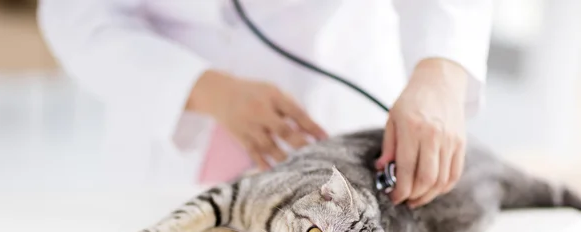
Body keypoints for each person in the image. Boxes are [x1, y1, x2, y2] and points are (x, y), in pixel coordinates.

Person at [38, 0, 493, 207]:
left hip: (339, 98)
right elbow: (76, 14)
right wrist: (202, 88)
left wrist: (442, 70)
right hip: (171, 136)